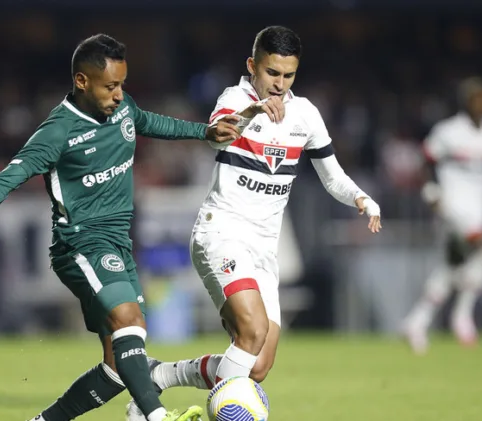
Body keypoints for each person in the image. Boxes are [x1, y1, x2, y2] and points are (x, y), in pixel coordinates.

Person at [0, 34, 240, 421]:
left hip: (118, 242)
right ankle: (156, 417)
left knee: (119, 368)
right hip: (81, 244)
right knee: (130, 321)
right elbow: (9, 176)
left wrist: (205, 132)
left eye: (122, 84)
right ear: (82, 81)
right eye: (110, 86)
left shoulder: (122, 108)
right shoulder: (58, 131)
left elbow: (150, 121)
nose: (119, 95)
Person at [126, 25, 382, 420]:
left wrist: (361, 198)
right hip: (221, 232)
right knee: (251, 332)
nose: (279, 85)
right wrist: (252, 112)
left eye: (288, 75)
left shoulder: (305, 115)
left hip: (266, 248)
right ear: (253, 66)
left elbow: (331, 176)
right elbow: (216, 136)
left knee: (257, 365)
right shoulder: (235, 98)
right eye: (271, 74)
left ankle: (157, 375)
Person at [401, 76, 482, 354]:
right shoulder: (448, 132)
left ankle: (417, 320)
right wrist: (431, 192)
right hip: (451, 207)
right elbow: (426, 161)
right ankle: (462, 316)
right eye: (475, 99)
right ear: (465, 102)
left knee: (452, 267)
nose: (480, 104)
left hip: (479, 211)